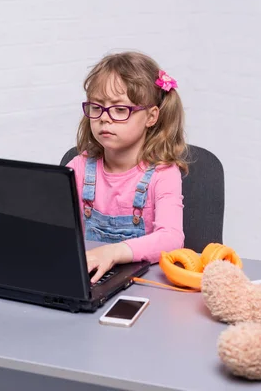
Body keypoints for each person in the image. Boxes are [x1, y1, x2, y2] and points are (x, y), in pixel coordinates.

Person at [66, 51, 189, 283]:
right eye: (96, 107)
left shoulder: (163, 174)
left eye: (120, 110)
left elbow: (172, 238)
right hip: (90, 279)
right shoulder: (79, 167)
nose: (104, 118)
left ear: (151, 117)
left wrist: (113, 252)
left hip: (142, 283)